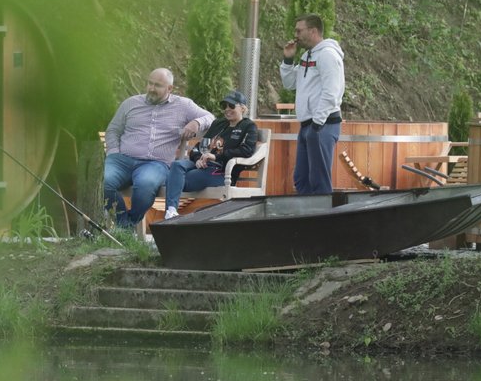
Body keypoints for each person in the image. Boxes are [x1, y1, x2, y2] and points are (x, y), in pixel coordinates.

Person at [103, 68, 213, 228]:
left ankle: (126, 226)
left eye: (157, 85)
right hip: (121, 160)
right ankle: (124, 225)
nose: (151, 88)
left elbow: (210, 117)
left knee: (145, 186)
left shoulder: (183, 105)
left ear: (170, 89)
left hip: (156, 164)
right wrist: (113, 153)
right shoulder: (130, 103)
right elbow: (113, 130)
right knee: (104, 181)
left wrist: (196, 123)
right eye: (150, 83)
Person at [163, 90, 258, 220]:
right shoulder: (218, 123)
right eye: (224, 106)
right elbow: (198, 147)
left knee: (174, 179)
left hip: (220, 171)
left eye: (231, 106)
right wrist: (197, 159)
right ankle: (171, 212)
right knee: (177, 165)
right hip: (201, 165)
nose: (227, 109)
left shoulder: (248, 126)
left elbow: (246, 150)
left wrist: (216, 156)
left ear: (242, 108)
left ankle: (170, 211)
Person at [279, 13, 345, 194]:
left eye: (299, 30)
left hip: (323, 124)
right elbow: (290, 83)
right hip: (308, 124)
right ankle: (306, 217)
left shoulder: (328, 55)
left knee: (319, 180)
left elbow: (332, 92)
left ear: (313, 31)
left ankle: (323, 220)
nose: (296, 35)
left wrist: (317, 122)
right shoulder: (307, 56)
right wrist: (288, 60)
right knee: (301, 179)